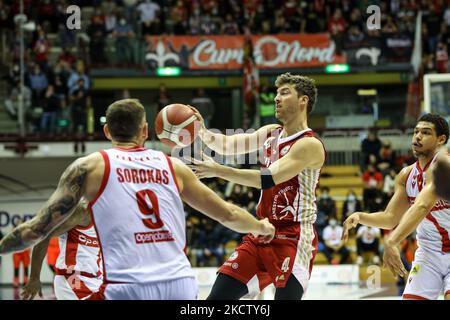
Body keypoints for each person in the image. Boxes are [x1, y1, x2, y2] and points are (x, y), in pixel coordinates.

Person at [0, 99, 274, 300]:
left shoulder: (88, 168)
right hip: (178, 283)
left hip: (127, 286)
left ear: (107, 132)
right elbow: (227, 214)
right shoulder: (173, 166)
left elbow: (35, 231)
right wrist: (261, 227)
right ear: (145, 131)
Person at [190, 73, 325, 300]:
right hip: (262, 230)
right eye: (276, 93)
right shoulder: (270, 132)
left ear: (304, 100)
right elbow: (226, 146)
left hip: (293, 236)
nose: (276, 98)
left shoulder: (309, 144)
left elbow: (268, 177)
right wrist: (202, 131)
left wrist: (218, 171)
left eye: (284, 93)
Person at [343, 114, 450, 300]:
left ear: (441, 139)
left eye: (426, 133)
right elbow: (390, 218)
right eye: (416, 131)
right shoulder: (405, 175)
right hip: (429, 254)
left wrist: (392, 241)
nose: (417, 137)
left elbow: (423, 205)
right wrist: (361, 217)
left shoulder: (444, 164)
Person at [21, 201, 102, 300]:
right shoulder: (82, 211)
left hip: (97, 279)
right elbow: (44, 235)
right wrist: (34, 277)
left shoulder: (110, 218)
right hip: (73, 278)